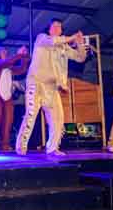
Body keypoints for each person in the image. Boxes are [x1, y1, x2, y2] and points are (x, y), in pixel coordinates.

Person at [15, 18, 88, 156]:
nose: (56, 28)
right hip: (36, 84)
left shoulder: (63, 46)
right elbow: (54, 41)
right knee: (31, 115)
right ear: (49, 29)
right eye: (54, 26)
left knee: (58, 118)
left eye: (59, 26)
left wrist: (80, 44)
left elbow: (80, 58)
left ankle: (53, 148)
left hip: (52, 87)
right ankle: (21, 146)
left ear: (61, 30)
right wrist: (72, 37)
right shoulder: (42, 38)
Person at [0, 45, 29, 151]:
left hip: (7, 96)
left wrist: (24, 58)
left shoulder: (9, 67)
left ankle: (5, 144)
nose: (6, 53)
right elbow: (6, 62)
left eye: (6, 52)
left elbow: (21, 70)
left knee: (8, 121)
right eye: (3, 52)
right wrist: (19, 55)